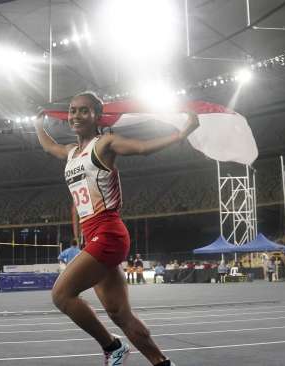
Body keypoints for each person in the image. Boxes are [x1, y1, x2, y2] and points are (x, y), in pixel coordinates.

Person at [34, 91, 197, 366]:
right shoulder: (71, 153)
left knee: (61, 295)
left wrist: (181, 135)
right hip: (94, 236)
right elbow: (50, 147)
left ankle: (112, 347)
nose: (75, 115)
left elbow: (142, 148)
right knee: (119, 313)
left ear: (98, 116)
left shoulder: (104, 143)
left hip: (108, 232)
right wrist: (38, 125)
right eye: (72, 110)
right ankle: (161, 362)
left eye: (84, 111)